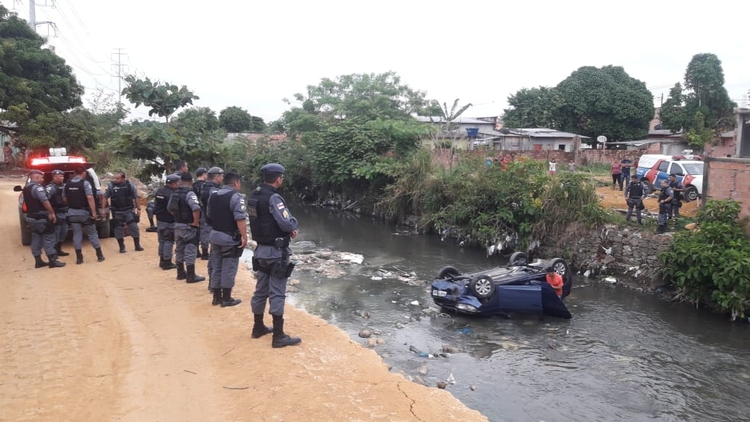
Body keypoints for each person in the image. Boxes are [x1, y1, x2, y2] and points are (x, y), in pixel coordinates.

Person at [249, 163, 301, 348]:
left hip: (260, 250)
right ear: (278, 178)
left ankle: (258, 327)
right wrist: (292, 228)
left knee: (261, 290)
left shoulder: (254, 196)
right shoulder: (274, 198)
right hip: (276, 252)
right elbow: (286, 222)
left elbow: (259, 220)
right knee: (277, 292)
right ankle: (278, 336)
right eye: (282, 177)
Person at [206, 172, 247, 308]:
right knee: (229, 267)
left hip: (215, 235)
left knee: (217, 266)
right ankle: (227, 298)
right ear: (235, 183)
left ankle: (216, 297)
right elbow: (240, 218)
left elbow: (209, 215)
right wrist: (244, 236)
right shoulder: (236, 197)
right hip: (229, 238)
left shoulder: (214, 195)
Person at [23, 169, 66, 268]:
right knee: (49, 237)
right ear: (36, 178)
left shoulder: (26, 188)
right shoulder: (38, 188)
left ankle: (38, 261)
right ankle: (52, 261)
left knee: (36, 238)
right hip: (41, 217)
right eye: (41, 177)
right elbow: (45, 201)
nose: (43, 180)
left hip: (32, 218)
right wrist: (52, 213)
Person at [168, 172, 205, 283]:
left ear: (180, 181)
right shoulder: (190, 194)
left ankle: (180, 273)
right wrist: (195, 222)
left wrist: (178, 218)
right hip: (188, 227)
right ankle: (190, 276)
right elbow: (196, 208)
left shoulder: (174, 194)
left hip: (177, 226)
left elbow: (169, 208)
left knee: (179, 249)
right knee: (190, 250)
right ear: (191, 182)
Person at [63, 166, 105, 264]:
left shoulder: (67, 184)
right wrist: (94, 212)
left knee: (77, 234)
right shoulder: (85, 183)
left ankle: (79, 258)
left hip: (72, 214)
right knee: (92, 233)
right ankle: (99, 255)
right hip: (84, 214)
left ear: (74, 173)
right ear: (84, 173)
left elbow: (64, 199)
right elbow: (90, 197)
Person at [105, 171, 143, 253]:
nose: (116, 180)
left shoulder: (129, 185)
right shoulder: (111, 186)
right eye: (115, 178)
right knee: (118, 229)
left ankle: (137, 245)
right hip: (117, 212)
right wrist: (103, 209)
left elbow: (136, 197)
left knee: (134, 228)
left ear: (123, 178)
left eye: (118, 178)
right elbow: (105, 197)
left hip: (128, 210)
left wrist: (139, 209)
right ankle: (121, 247)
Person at [201, 167, 224, 290]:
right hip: (213, 224)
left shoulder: (204, 187)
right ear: (216, 177)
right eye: (221, 176)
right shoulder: (213, 191)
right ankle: (214, 284)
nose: (222, 178)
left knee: (213, 255)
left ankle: (212, 283)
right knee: (215, 256)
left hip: (207, 221)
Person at [154, 175, 180, 270]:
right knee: (169, 241)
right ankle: (167, 261)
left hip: (160, 220)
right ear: (173, 184)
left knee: (161, 241)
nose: (179, 184)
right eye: (177, 183)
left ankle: (161, 260)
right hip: (169, 221)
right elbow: (172, 208)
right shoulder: (172, 194)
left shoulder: (159, 191)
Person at [46, 169, 70, 257]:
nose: (62, 178)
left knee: (63, 232)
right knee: (56, 233)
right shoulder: (50, 187)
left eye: (62, 176)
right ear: (55, 177)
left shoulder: (64, 186)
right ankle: (54, 252)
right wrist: (50, 213)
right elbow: (46, 200)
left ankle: (59, 249)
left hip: (64, 212)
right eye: (60, 176)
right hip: (56, 213)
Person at [192, 167, 209, 260]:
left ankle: (196, 251)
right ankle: (205, 253)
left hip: (194, 210)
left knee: (195, 230)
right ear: (204, 174)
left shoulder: (193, 185)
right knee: (204, 230)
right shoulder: (205, 186)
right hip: (203, 210)